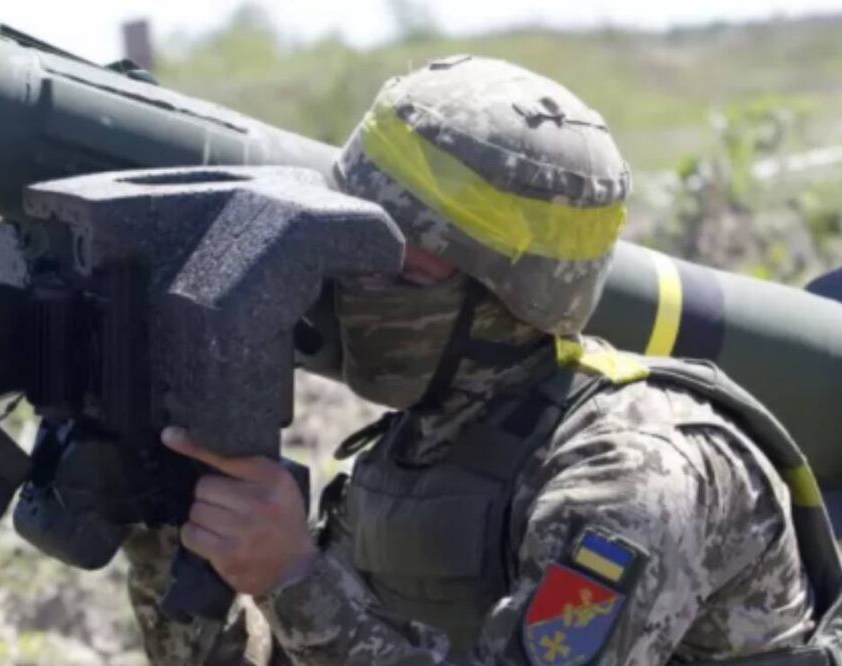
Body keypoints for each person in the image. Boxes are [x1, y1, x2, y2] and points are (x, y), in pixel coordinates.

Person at [122, 56, 842, 665]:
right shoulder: (421, 444)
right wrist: (171, 534)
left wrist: (292, 577)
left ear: (506, 294)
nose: (346, 289)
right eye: (344, 251)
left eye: (395, 268)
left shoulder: (632, 476)